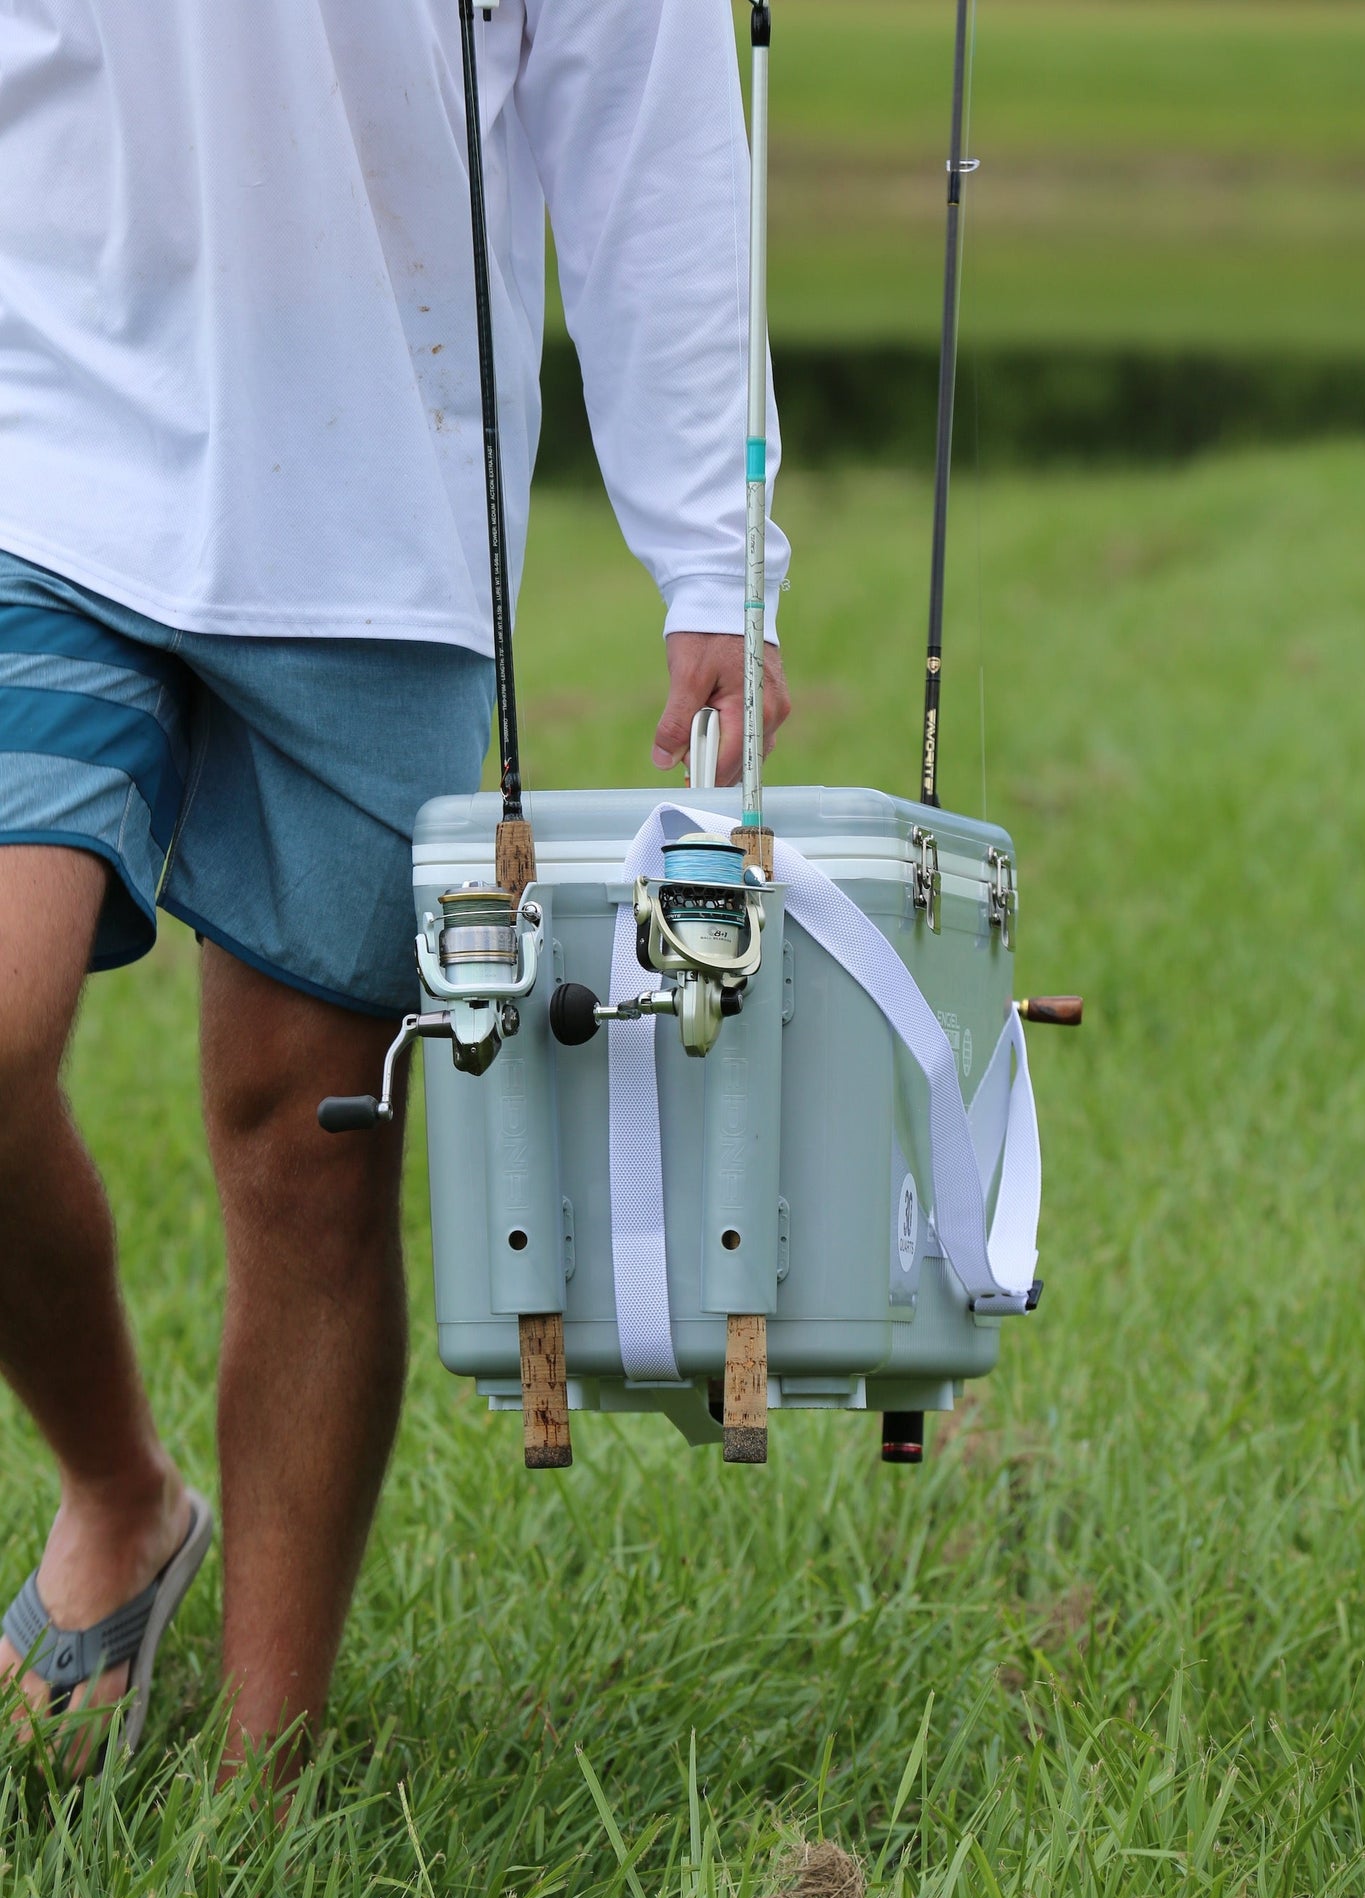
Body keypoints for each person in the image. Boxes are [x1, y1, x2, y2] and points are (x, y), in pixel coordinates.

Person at [0, 0, 790, 1772]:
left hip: (378, 509)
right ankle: (119, 1492)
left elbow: (648, 131)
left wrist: (716, 560)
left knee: (309, 1148)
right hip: (35, 447)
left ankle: (262, 1797)